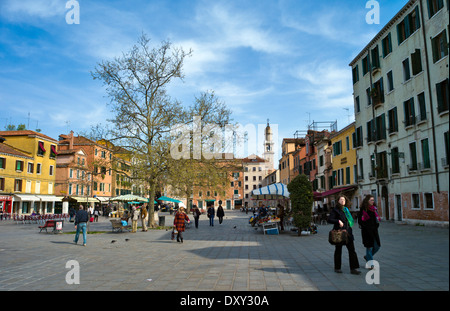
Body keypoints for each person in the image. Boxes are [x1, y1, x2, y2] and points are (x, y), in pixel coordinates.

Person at [328, 194, 361, 275]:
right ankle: (337, 267)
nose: (342, 201)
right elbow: (329, 219)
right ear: (338, 201)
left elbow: (349, 221)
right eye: (341, 200)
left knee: (352, 250)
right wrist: (338, 221)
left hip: (348, 233)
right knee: (338, 250)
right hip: (339, 233)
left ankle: (353, 268)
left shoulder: (346, 209)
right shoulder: (335, 210)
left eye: (344, 200)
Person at [358, 195, 381, 270]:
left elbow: (376, 219)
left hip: (374, 231)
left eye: (373, 200)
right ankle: (370, 264)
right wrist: (366, 227)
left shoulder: (374, 209)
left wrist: (376, 225)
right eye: (371, 200)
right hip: (367, 231)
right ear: (367, 201)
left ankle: (367, 257)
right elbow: (360, 221)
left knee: (377, 246)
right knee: (369, 247)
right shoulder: (363, 209)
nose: (372, 201)